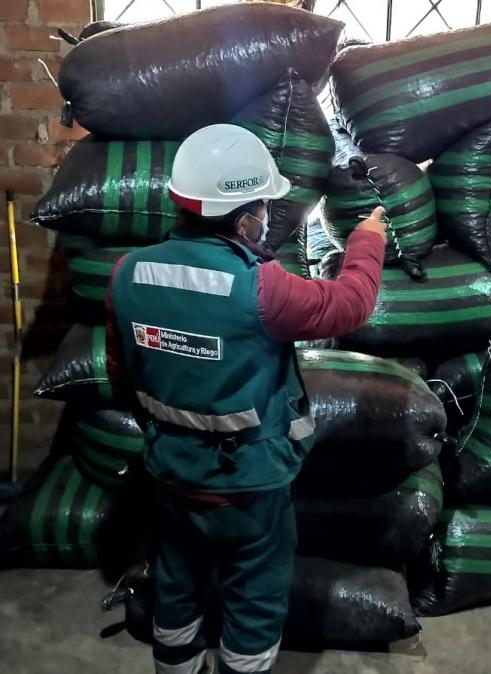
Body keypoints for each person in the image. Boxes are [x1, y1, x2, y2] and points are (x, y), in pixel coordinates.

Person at [105, 124, 386, 674]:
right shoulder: (262, 288)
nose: (266, 215)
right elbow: (353, 303)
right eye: (261, 205)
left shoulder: (128, 274)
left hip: (171, 473)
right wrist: (367, 238)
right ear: (243, 218)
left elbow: (123, 377)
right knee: (255, 601)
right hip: (250, 487)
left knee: (177, 584)